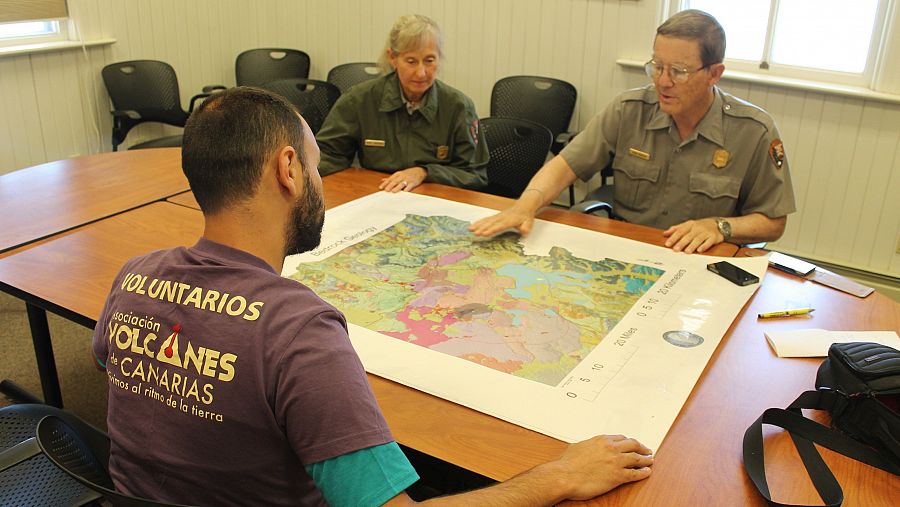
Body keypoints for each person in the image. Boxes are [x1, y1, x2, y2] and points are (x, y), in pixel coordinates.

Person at [91, 87, 652, 506]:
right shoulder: (297, 331)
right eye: (315, 166)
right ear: (288, 170)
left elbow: (118, 368)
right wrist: (557, 476)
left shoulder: (135, 275)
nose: (317, 181)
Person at [470, 9, 795, 254]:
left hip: (700, 261)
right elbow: (564, 166)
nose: (663, 81)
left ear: (714, 74)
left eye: (678, 71)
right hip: (629, 253)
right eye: (657, 66)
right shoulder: (629, 109)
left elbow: (773, 222)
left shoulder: (754, 131)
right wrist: (525, 205)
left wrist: (720, 227)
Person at [316, 14, 489, 192]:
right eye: (411, 61)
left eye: (429, 61)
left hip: (434, 198)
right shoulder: (359, 100)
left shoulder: (459, 107)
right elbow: (326, 154)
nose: (421, 73)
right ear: (392, 58)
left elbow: (474, 174)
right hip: (377, 192)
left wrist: (425, 172)